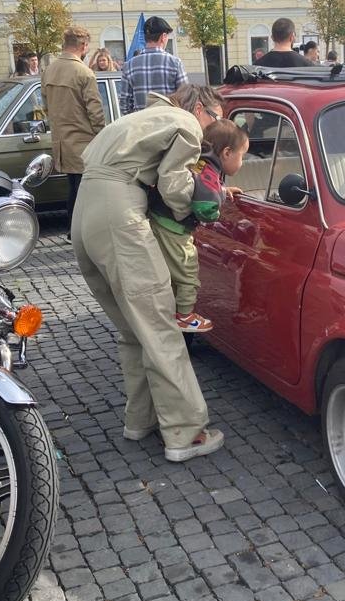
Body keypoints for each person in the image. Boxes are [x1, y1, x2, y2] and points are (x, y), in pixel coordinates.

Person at [73, 84, 226, 462]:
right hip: (119, 214)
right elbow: (175, 185)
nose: (211, 132)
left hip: (84, 212)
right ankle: (185, 435)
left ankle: (140, 420)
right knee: (159, 323)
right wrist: (193, 210)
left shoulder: (138, 118)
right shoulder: (187, 125)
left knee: (132, 328)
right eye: (216, 119)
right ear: (202, 109)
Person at [148, 119, 248, 333]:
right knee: (188, 273)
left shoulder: (198, 161)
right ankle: (184, 315)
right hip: (175, 230)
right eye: (243, 156)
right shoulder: (209, 172)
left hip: (161, 222)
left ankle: (171, 311)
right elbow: (205, 207)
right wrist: (218, 204)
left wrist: (222, 190)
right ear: (227, 153)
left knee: (171, 275)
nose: (243, 162)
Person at [41, 26, 105, 235]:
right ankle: (80, 233)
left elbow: (45, 106)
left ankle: (72, 230)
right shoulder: (84, 72)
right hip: (84, 141)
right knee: (85, 191)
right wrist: (102, 136)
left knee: (73, 188)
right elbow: (95, 111)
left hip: (61, 141)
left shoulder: (49, 70)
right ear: (83, 46)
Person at [119, 16, 188, 114]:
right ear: (163, 37)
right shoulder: (175, 63)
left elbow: (124, 105)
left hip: (141, 125)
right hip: (170, 124)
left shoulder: (129, 66)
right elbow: (186, 98)